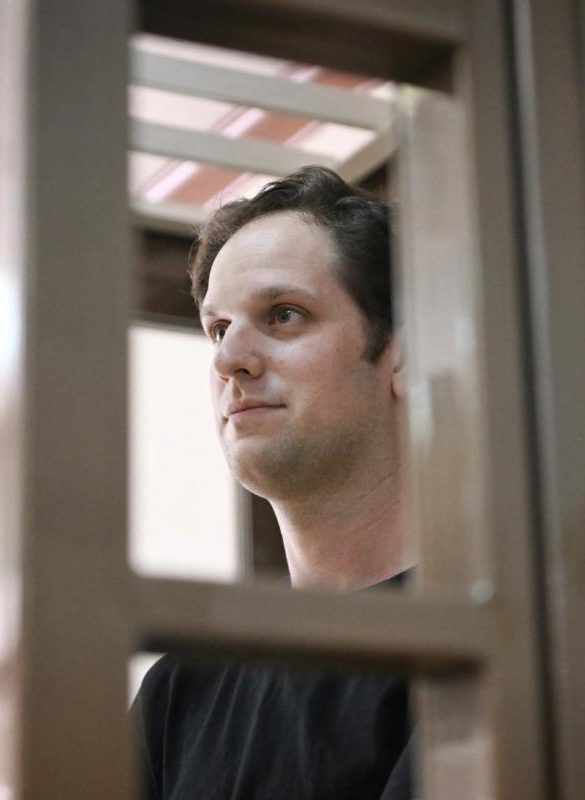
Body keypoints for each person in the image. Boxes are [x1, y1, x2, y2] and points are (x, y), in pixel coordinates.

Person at [132, 166, 415, 800]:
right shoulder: (179, 691)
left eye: (284, 315)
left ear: (403, 357)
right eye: (218, 328)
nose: (229, 359)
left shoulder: (477, 648)